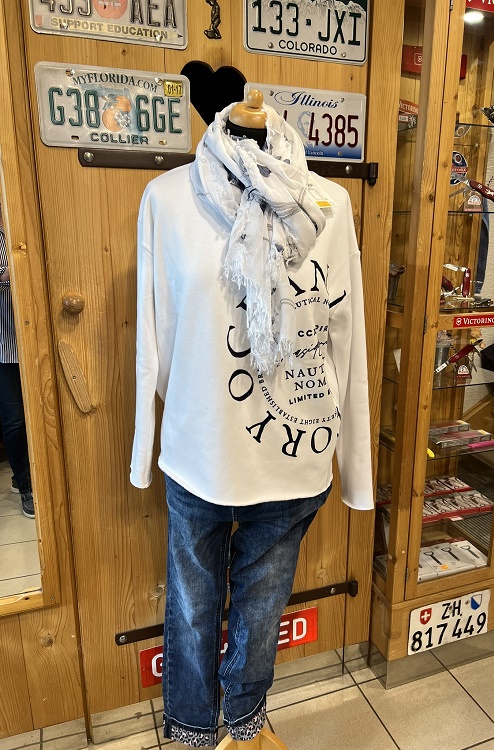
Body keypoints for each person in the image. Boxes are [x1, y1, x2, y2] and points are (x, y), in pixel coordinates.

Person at [131, 94, 373, 748]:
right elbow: (153, 336)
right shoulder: (168, 199)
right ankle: (192, 732)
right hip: (200, 451)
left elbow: (345, 337)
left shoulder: (328, 204)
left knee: (263, 607)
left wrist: (355, 467)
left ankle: (244, 725)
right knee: (192, 608)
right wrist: (156, 437)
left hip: (293, 453)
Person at [0, 203, 34, 519]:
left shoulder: (22, 227)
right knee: (15, 421)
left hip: (33, 342)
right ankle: (26, 486)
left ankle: (29, 476)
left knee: (40, 412)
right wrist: (11, 274)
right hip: (4, 348)